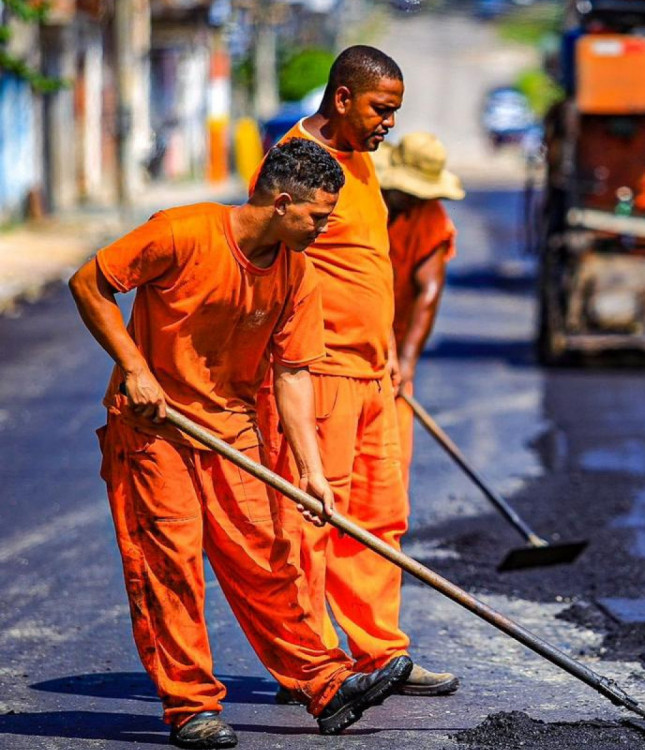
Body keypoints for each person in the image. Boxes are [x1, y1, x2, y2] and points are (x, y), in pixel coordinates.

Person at [68, 138, 412, 748]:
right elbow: (90, 284)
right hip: (155, 430)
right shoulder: (182, 232)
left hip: (233, 430)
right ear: (282, 204)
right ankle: (190, 707)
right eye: (318, 216)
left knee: (268, 559)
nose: (324, 227)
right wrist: (136, 369)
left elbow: (293, 375)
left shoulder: (296, 273)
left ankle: (325, 683)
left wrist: (310, 472)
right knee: (169, 567)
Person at [257, 46, 457, 700]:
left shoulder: (361, 161)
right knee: (312, 519)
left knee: (380, 518)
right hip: (322, 375)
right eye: (381, 109)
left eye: (395, 112)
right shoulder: (296, 164)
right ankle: (311, 665)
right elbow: (264, 263)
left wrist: (394, 355)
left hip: (373, 376)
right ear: (342, 97)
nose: (388, 124)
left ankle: (381, 654)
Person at [373, 133, 462, 589]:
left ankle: (381, 554)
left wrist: (405, 363)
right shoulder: (359, 198)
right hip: (341, 347)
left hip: (395, 351)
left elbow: (428, 292)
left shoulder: (429, 217)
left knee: (390, 468)